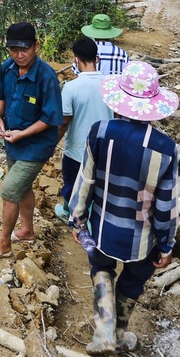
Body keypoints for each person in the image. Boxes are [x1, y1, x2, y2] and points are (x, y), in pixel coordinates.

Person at [66, 61, 179, 354]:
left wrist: (76, 221)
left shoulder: (99, 132)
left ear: (120, 100)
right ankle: (119, 332)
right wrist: (166, 244)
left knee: (101, 268)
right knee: (135, 278)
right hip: (142, 237)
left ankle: (104, 330)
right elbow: (166, 204)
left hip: (103, 227)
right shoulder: (165, 149)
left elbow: (85, 180)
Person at [0, 22, 64, 261]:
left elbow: (50, 118)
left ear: (36, 46)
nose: (19, 55)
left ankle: (3, 242)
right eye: (14, 50)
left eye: (24, 49)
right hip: (12, 141)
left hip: (36, 145)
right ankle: (26, 230)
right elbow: (0, 95)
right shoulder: (8, 68)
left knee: (9, 190)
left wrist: (21, 134)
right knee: (22, 186)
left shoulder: (46, 77)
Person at [53, 38, 111, 223]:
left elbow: (64, 121)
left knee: (72, 185)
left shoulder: (71, 87)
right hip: (105, 149)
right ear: (98, 58)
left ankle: (71, 215)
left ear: (75, 59)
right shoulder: (110, 86)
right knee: (100, 187)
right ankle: (95, 219)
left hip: (77, 150)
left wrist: (52, 144)